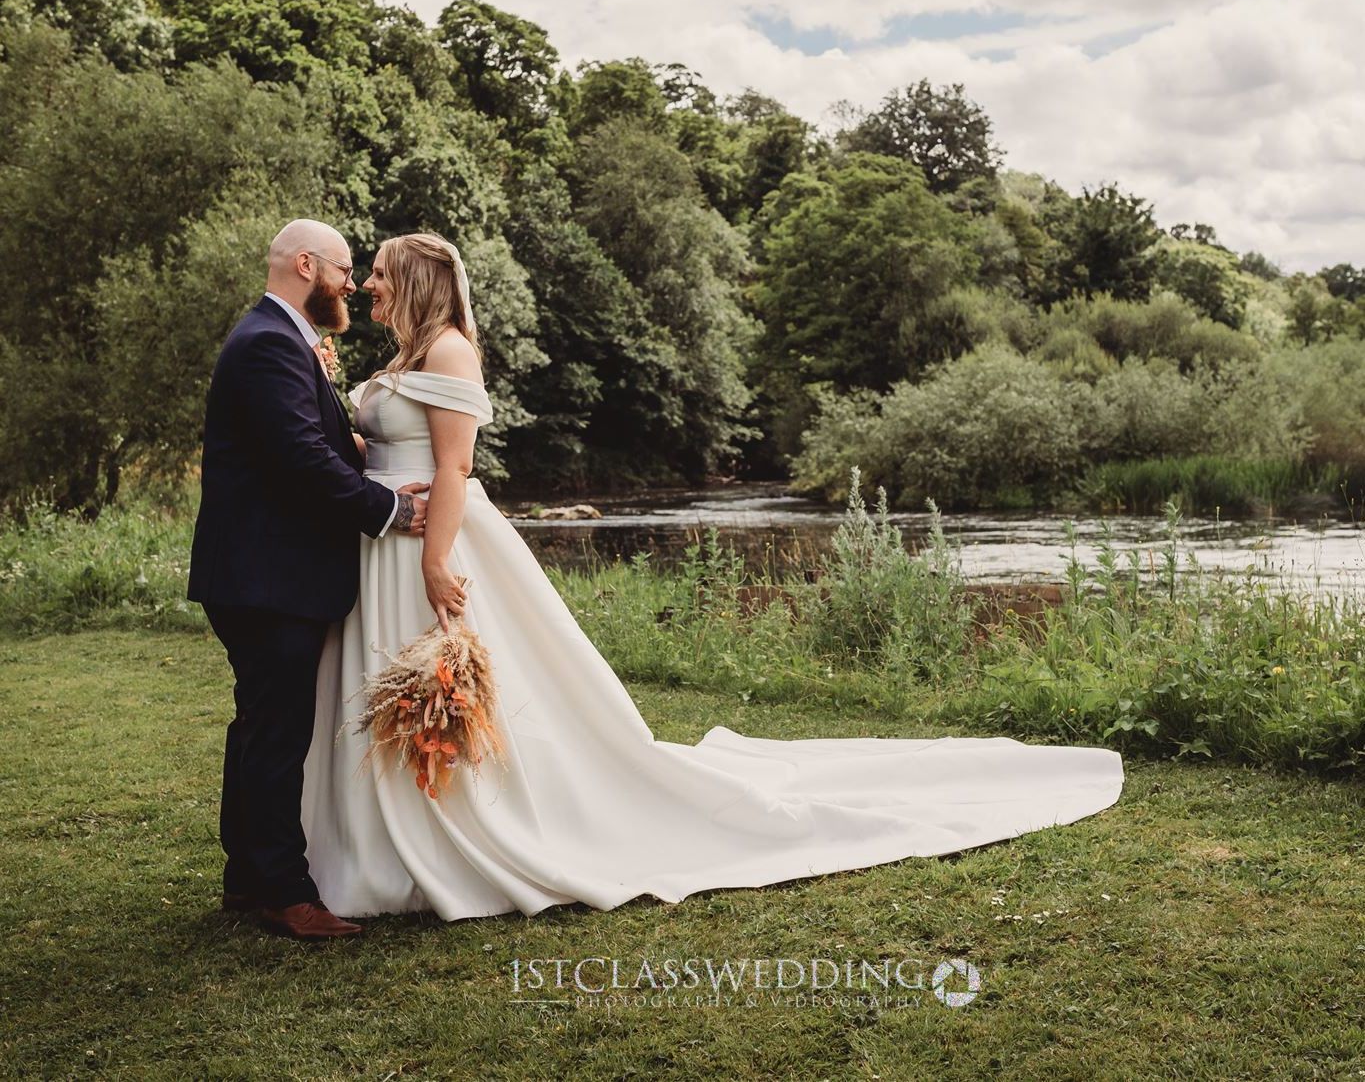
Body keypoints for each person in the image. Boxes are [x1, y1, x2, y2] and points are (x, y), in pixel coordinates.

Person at [302, 232, 1124, 922]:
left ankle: (454, 835)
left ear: (412, 278)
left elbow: (455, 466)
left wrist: (439, 559)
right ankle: (379, 838)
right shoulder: (406, 353)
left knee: (465, 687)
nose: (368, 282)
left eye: (378, 271)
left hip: (434, 542)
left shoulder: (449, 349)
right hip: (388, 538)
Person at [188, 219, 463, 940]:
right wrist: (391, 508)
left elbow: (311, 442)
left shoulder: (276, 341)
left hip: (256, 568)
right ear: (307, 265)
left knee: (259, 723)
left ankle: (248, 874)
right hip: (266, 570)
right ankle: (285, 892)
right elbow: (302, 462)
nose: (352, 282)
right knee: (277, 729)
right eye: (345, 269)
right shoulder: (269, 345)